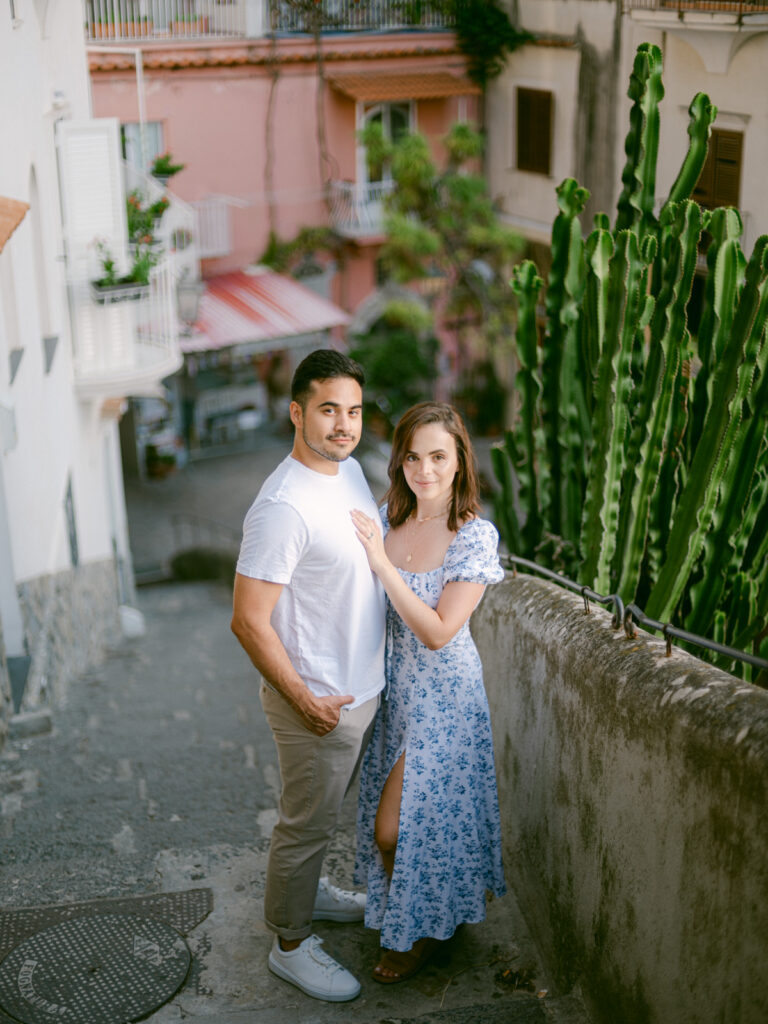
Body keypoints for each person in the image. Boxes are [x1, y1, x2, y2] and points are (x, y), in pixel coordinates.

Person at [231, 349, 386, 1002]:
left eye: (352, 410)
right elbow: (247, 620)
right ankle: (289, 943)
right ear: (297, 413)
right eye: (328, 410)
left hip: (359, 690)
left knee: (321, 818)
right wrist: (305, 700)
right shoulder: (283, 507)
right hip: (316, 700)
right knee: (305, 824)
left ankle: (312, 895)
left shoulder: (347, 470)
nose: (344, 424)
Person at [350, 401, 507, 983]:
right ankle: (428, 922)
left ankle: (417, 935)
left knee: (395, 828)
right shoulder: (389, 518)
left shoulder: (473, 536)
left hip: (448, 699)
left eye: (439, 456)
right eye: (413, 457)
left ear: (460, 459)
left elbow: (441, 632)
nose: (425, 470)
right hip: (398, 695)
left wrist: (383, 567)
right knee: (426, 824)